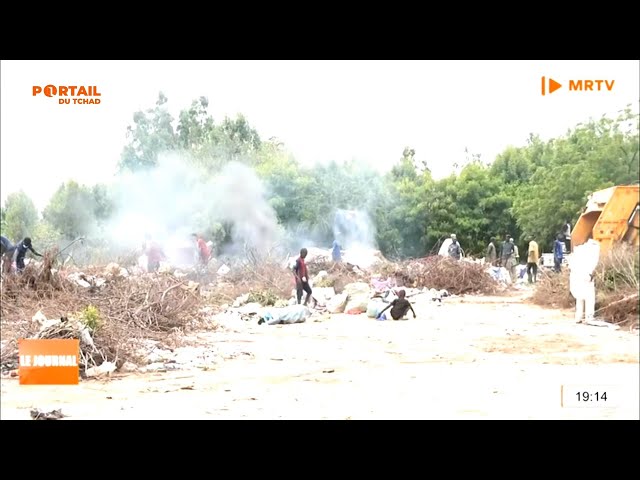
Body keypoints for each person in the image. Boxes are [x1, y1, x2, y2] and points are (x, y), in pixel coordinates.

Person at [569, 239, 600, 324]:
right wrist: (590, 275)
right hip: (586, 277)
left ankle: (578, 317)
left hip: (577, 278)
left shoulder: (578, 251)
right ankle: (589, 317)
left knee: (579, 298)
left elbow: (571, 265)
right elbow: (592, 266)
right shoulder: (592, 252)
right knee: (589, 298)